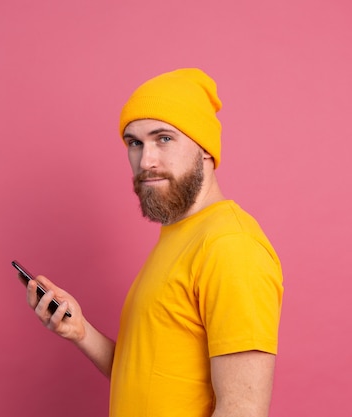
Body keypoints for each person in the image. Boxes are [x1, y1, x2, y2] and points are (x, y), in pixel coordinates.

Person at [24, 68, 284, 417]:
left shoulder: (230, 245)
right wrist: (81, 331)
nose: (146, 161)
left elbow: (242, 410)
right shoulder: (181, 236)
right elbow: (147, 376)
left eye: (163, 139)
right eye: (135, 142)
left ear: (204, 149)